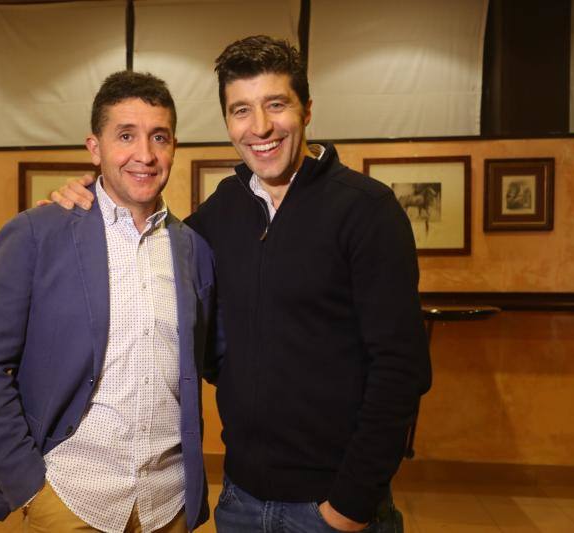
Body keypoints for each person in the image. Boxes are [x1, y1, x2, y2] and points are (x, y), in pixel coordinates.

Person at [50, 35, 431, 533]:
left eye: (277, 105)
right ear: (228, 121)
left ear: (307, 110)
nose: (261, 127)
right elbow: (198, 335)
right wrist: (83, 197)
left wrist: (350, 507)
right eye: (241, 110)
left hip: (333, 507)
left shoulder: (367, 211)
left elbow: (401, 370)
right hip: (240, 501)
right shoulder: (215, 219)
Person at [0, 70, 219, 533]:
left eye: (159, 137)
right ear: (94, 147)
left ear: (174, 146)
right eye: (126, 135)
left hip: (169, 502)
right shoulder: (37, 235)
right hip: (71, 499)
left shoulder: (192, 249)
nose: (145, 154)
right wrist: (28, 486)